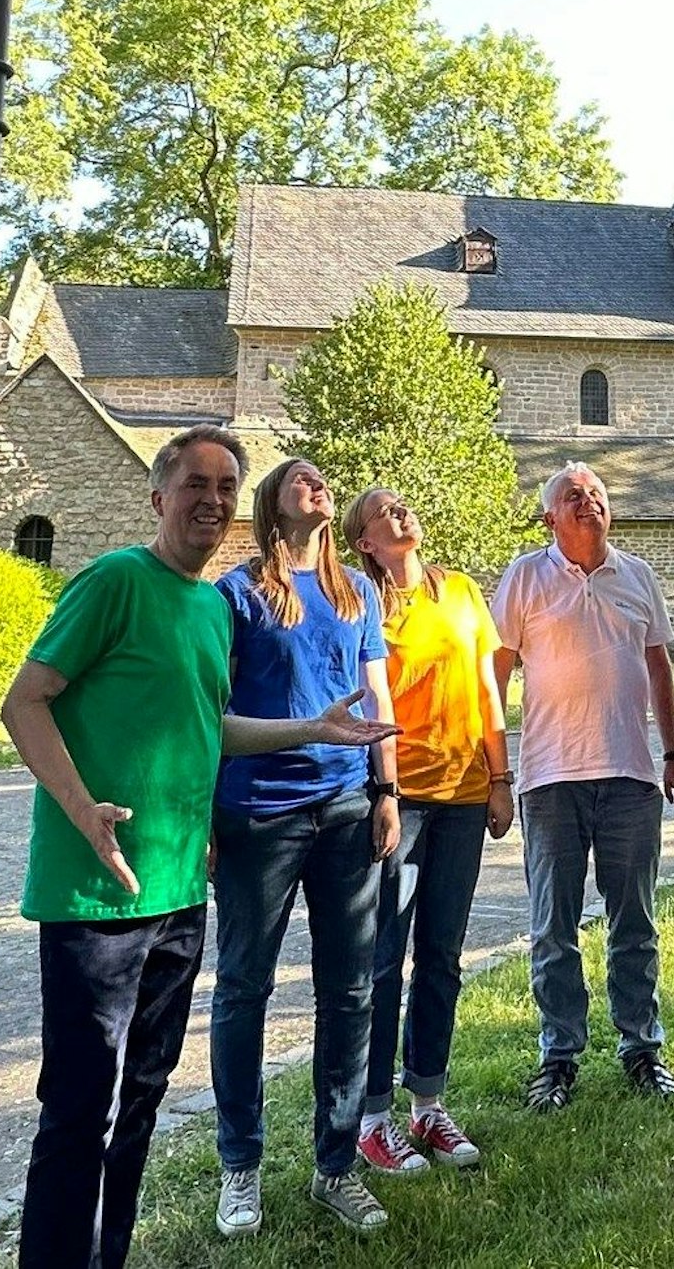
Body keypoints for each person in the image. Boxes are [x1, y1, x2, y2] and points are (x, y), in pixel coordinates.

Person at [2, 426, 397, 1269]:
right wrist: (80, 809)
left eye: (224, 487)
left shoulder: (203, 610)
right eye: (195, 486)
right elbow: (24, 701)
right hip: (97, 896)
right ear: (158, 497)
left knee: (141, 1097)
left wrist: (314, 728)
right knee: (79, 1109)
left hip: (179, 892)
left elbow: (208, 727)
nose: (210, 501)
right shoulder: (117, 579)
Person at [209, 458, 402, 1239]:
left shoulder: (357, 593)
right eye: (301, 478)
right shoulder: (237, 593)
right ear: (271, 503)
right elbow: (210, 710)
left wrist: (387, 793)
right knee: (244, 987)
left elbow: (376, 695)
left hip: (346, 808)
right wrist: (202, 821)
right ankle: (240, 1167)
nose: (318, 483)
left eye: (326, 478)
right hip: (257, 813)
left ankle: (335, 1167)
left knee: (350, 990)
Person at [491, 462, 674, 1110]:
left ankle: (641, 1048)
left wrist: (671, 752)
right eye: (573, 496)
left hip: (632, 774)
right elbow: (494, 676)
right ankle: (559, 1056)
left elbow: (659, 664)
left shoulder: (638, 576)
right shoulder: (523, 576)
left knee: (634, 921)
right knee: (553, 926)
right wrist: (496, 767)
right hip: (550, 778)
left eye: (597, 494)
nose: (588, 502)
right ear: (549, 517)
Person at [340, 486, 515, 1174]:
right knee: (384, 959)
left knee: (441, 956)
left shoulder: (463, 592)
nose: (403, 513)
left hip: (466, 798)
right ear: (365, 542)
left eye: (405, 505)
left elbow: (486, 689)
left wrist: (501, 779)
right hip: (398, 801)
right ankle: (372, 1116)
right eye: (385, 513)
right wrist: (381, 793)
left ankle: (428, 1103)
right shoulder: (364, 603)